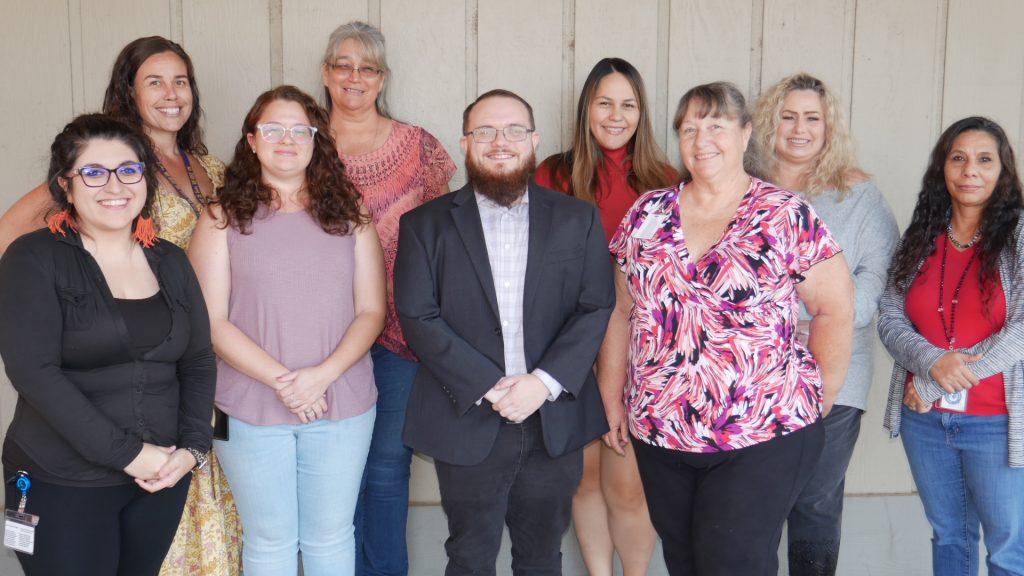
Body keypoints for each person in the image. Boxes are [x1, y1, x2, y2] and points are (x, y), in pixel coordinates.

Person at [0, 36, 241, 575]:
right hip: (65, 478)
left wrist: (191, 450)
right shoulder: (36, 259)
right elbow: (34, 373)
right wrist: (132, 455)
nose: (114, 185)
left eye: (129, 171)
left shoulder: (168, 260)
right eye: (94, 173)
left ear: (145, 179)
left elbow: (198, 360)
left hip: (161, 477)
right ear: (66, 183)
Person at [605, 81, 854, 575]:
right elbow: (621, 311)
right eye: (689, 128)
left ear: (745, 135)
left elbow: (835, 309)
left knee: (731, 563)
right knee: (686, 562)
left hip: (761, 430)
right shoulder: (646, 216)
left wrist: (822, 391)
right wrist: (611, 394)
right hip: (663, 429)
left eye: (716, 125)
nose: (702, 139)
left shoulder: (785, 214)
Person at [394, 89, 614, 575]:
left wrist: (541, 383)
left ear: (533, 140)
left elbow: (595, 305)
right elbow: (418, 315)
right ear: (465, 142)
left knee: (541, 556)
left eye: (514, 130)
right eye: (485, 131)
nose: (500, 142)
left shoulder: (577, 219)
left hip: (552, 416)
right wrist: (492, 386)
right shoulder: (424, 225)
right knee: (470, 555)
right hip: (468, 414)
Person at [188, 85, 386, 576]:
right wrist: (287, 382)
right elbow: (210, 321)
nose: (286, 139)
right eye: (273, 129)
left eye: (300, 129)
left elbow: (371, 312)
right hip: (250, 406)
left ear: (317, 140)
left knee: (330, 537)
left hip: (341, 401)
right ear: (251, 140)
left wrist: (320, 377)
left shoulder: (352, 217)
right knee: (270, 541)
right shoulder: (219, 218)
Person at [320, 21, 456, 575]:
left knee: (384, 470)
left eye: (368, 68)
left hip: (401, 338)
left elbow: (446, 244)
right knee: (328, 474)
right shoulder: (299, 143)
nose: (354, 77)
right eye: (342, 65)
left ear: (382, 79)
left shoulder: (419, 149)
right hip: (319, 339)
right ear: (326, 74)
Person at [533, 57, 676, 576]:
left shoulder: (665, 181)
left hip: (640, 350)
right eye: (605, 103)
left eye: (629, 104)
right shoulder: (552, 173)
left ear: (642, 112)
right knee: (583, 479)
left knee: (629, 484)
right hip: (567, 346)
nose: (616, 115)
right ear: (586, 108)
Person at [753, 72, 899, 575]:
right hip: (749, 376)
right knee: (752, 502)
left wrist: (804, 322)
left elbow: (874, 283)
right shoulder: (742, 191)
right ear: (768, 124)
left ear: (828, 127)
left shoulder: (859, 197)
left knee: (814, 500)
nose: (799, 129)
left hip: (835, 375)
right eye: (787, 116)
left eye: (812, 118)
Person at [878, 116, 1024, 576]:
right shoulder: (922, 235)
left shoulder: (1018, 236)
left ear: (1003, 171)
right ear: (943, 167)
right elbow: (889, 313)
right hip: (926, 423)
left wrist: (940, 382)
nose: (969, 171)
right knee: (950, 536)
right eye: (958, 158)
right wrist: (931, 364)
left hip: (996, 423)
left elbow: (1021, 328)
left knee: (1006, 551)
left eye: (984, 160)